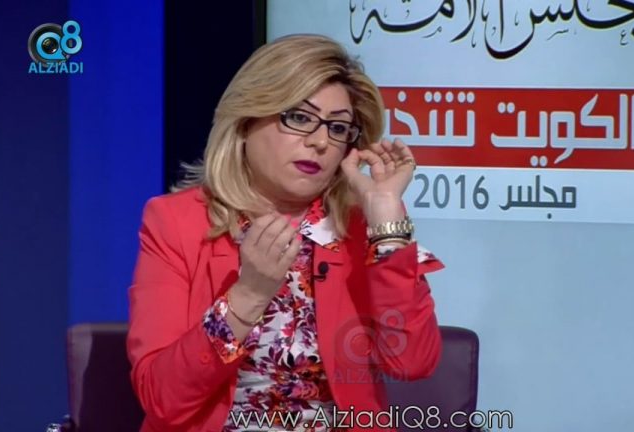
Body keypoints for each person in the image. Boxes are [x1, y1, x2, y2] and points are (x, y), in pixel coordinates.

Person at [126, 34, 444, 432]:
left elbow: (412, 363)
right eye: (299, 117)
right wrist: (249, 295)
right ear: (246, 121)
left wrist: (387, 221)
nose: (320, 141)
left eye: (338, 127)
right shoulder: (176, 222)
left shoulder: (362, 226)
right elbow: (162, 397)